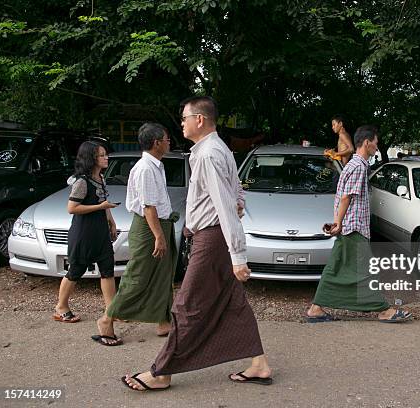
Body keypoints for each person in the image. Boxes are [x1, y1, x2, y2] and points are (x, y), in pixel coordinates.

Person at [122, 96, 272, 392]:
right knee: (233, 302)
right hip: (212, 235)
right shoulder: (218, 149)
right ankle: (259, 363)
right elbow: (235, 190)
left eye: (184, 118)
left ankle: (162, 372)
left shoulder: (207, 154)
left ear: (199, 120)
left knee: (185, 305)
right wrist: (238, 203)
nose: (181, 124)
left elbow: (226, 205)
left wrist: (238, 255)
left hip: (212, 238)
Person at [307, 125, 413, 323]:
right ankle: (383, 310)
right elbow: (346, 197)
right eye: (375, 143)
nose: (376, 147)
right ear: (367, 143)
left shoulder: (355, 165)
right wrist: (338, 222)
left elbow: (343, 197)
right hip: (353, 228)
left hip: (349, 226)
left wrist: (339, 223)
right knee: (367, 269)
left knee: (335, 267)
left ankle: (316, 308)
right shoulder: (358, 167)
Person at [106, 123, 176, 339]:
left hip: (159, 224)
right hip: (148, 228)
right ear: (156, 143)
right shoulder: (145, 168)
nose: (169, 142)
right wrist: (158, 236)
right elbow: (148, 207)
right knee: (138, 275)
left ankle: (164, 321)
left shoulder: (156, 165)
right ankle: (107, 319)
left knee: (164, 275)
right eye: (166, 139)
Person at [53, 141, 121, 345]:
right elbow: (72, 208)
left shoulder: (100, 178)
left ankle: (111, 311)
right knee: (76, 270)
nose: (106, 158)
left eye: (105, 155)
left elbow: (104, 203)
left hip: (100, 232)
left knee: (108, 270)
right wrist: (99, 207)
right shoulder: (82, 182)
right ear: (91, 158)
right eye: (102, 155)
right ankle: (61, 307)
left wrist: (111, 221)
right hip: (83, 233)